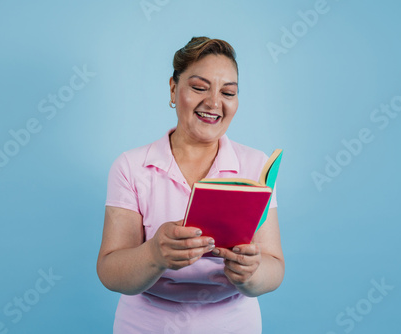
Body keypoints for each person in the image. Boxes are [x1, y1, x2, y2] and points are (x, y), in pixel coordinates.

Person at [97, 36, 284, 333]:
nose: (213, 103)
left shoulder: (255, 165)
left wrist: (251, 273)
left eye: (228, 92)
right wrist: (154, 254)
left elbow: (274, 266)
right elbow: (109, 271)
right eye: (199, 87)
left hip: (233, 324)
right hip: (146, 325)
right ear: (173, 88)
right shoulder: (131, 167)